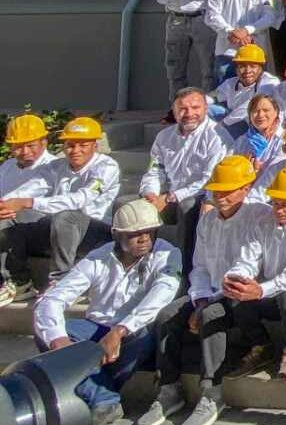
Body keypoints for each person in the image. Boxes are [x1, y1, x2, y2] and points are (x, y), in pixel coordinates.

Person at [33, 200, 180, 425]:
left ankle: (90, 387)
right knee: (48, 332)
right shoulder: (98, 257)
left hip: (136, 332)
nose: (144, 239)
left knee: (141, 335)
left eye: (149, 232)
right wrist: (59, 343)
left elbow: (160, 297)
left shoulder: (168, 254)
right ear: (117, 235)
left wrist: (119, 331)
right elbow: (52, 300)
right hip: (96, 328)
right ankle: (104, 398)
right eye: (135, 234)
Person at [144, 155, 265, 425]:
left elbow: (247, 265)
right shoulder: (208, 221)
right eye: (217, 189)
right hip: (205, 291)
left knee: (211, 315)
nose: (220, 195)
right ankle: (168, 388)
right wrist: (198, 299)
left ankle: (212, 392)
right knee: (166, 316)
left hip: (239, 295)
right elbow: (198, 266)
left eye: (228, 190)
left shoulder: (258, 216)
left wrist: (206, 303)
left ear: (246, 188)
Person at [222, 163, 286, 383]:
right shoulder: (263, 221)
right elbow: (248, 256)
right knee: (236, 293)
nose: (278, 210)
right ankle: (262, 345)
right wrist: (237, 277)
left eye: (285, 204)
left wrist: (261, 289)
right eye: (275, 203)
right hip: (267, 290)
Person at [4, 118, 120, 287]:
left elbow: (81, 199)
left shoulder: (106, 167)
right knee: (8, 218)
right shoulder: (56, 166)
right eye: (70, 145)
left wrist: (29, 202)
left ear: (95, 146)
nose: (75, 150)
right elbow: (30, 188)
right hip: (58, 233)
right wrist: (6, 205)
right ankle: (19, 281)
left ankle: (60, 282)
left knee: (65, 217)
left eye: (83, 145)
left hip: (96, 233)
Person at [142, 88, 233, 257]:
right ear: (174, 112)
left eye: (195, 107)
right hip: (168, 196)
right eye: (182, 109)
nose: (189, 113)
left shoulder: (217, 136)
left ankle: (184, 268)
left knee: (187, 206)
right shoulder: (164, 136)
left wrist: (171, 197)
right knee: (129, 206)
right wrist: (151, 194)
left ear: (206, 108)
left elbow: (210, 179)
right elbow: (154, 170)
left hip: (202, 196)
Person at [0, 114, 59, 306]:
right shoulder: (7, 167)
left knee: (5, 219)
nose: (24, 151)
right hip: (12, 223)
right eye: (18, 146)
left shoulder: (52, 166)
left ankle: (19, 282)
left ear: (44, 142)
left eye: (31, 145)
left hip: (43, 230)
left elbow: (16, 200)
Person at [209, 43, 279, 136]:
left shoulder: (270, 82)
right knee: (207, 108)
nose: (247, 71)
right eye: (242, 66)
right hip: (233, 122)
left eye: (253, 66)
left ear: (261, 68)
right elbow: (214, 96)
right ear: (236, 68)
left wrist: (222, 125)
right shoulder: (231, 82)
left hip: (257, 127)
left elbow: (251, 106)